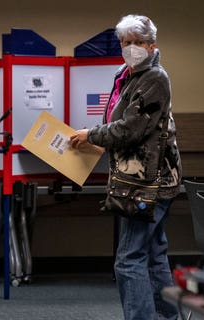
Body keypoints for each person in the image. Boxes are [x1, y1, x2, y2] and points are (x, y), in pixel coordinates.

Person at [69, 14, 182, 320]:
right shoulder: (126, 73)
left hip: (150, 183)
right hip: (141, 178)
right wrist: (99, 140)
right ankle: (168, 316)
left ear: (152, 44)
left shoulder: (155, 78)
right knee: (153, 256)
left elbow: (130, 128)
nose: (131, 48)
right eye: (126, 42)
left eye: (138, 42)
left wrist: (92, 135)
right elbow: (120, 125)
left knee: (128, 260)